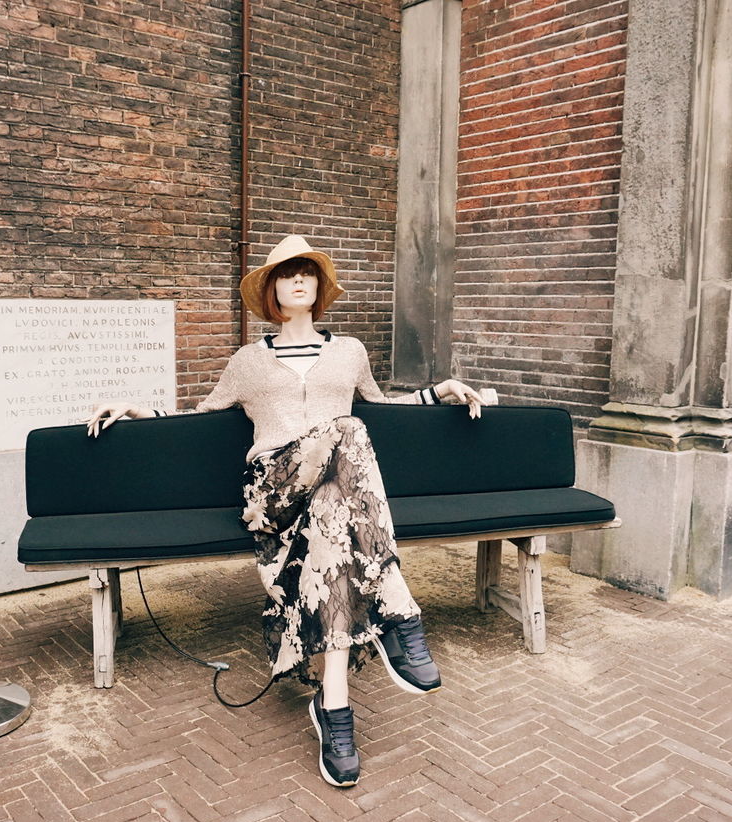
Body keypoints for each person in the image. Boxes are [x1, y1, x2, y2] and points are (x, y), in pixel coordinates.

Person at [86, 235, 484, 787]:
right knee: (348, 429)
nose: (298, 280)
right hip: (270, 488)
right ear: (271, 290)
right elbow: (199, 416)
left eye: (308, 273)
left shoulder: (350, 352)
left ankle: (336, 708)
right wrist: (136, 409)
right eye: (286, 273)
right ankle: (397, 607)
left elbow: (384, 406)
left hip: (328, 496)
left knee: (332, 519)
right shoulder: (248, 361)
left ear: (319, 288)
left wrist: (439, 391)